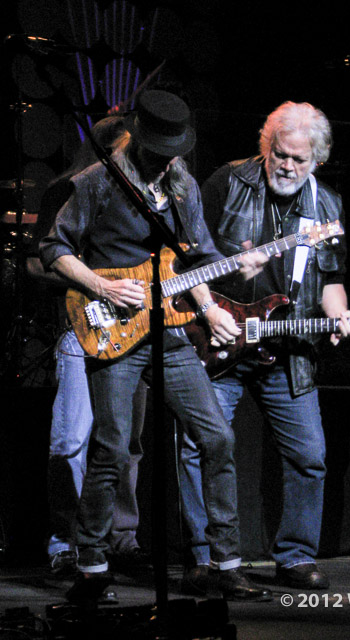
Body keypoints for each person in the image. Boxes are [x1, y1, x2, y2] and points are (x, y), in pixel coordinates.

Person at [39, 90, 271, 604]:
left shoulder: (182, 184)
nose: (168, 160)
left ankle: (225, 563)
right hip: (114, 330)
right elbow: (53, 247)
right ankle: (92, 567)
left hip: (169, 331)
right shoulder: (96, 181)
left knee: (217, 437)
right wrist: (100, 286)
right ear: (139, 139)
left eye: (175, 152)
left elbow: (196, 257)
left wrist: (209, 309)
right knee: (111, 448)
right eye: (160, 151)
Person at [179, 100, 350, 594]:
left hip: (287, 349)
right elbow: (187, 257)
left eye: (300, 159)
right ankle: (206, 559)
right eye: (280, 154)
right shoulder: (227, 182)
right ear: (267, 147)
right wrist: (213, 305)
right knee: (200, 447)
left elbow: (332, 281)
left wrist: (340, 313)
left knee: (309, 455)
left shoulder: (328, 205)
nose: (287, 166)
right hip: (222, 340)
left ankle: (296, 557)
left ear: (317, 160)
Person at [26, 116, 150, 582]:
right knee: (72, 439)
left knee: (126, 442)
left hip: (132, 332)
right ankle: (66, 542)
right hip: (82, 329)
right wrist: (98, 284)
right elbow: (37, 263)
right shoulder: (68, 189)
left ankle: (120, 538)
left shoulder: (145, 195)